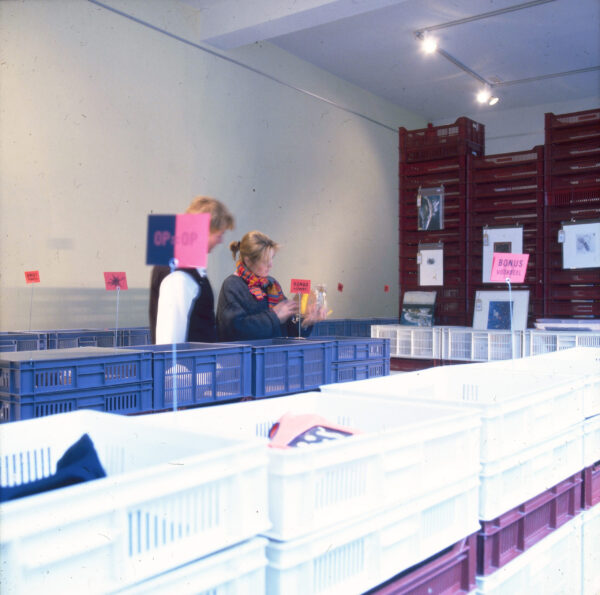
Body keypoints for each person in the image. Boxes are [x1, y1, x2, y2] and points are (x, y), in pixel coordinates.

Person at [149, 196, 235, 344]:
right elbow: (169, 344)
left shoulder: (190, 269)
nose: (221, 241)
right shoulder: (178, 275)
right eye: (218, 235)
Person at [216, 230, 325, 341]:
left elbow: (288, 332)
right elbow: (234, 331)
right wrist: (274, 316)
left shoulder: (272, 285)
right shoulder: (232, 286)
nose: (271, 265)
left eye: (272, 258)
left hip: (275, 351)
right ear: (248, 261)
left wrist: (305, 322)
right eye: (265, 261)